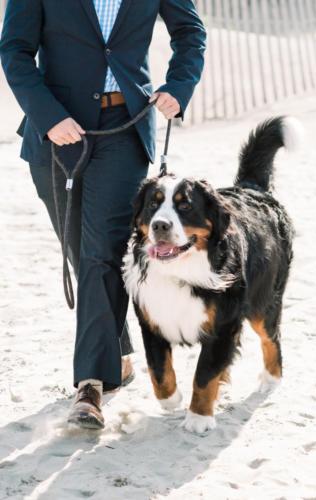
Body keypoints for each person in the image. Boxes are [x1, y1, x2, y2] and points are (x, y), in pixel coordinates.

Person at [0, 0, 206, 429]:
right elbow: (15, 50)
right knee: (81, 250)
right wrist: (49, 116)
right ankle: (117, 351)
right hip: (55, 131)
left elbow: (190, 34)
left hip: (125, 129)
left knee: (99, 254)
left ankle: (91, 386)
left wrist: (179, 86)